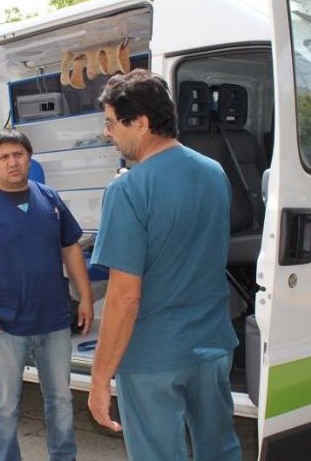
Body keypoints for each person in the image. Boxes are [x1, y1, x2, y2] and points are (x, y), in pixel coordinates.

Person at [87, 70, 241, 461]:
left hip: (153, 356)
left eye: (111, 123)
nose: (108, 134)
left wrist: (100, 378)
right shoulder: (214, 172)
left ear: (140, 123)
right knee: (219, 449)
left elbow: (124, 298)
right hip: (212, 344)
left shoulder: (127, 190)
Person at [0, 129, 94, 461]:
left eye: (18, 154)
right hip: (5, 327)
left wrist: (85, 296)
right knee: (5, 407)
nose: (12, 162)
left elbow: (70, 248)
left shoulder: (49, 199)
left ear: (30, 158)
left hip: (54, 322)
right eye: (3, 157)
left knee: (60, 401)